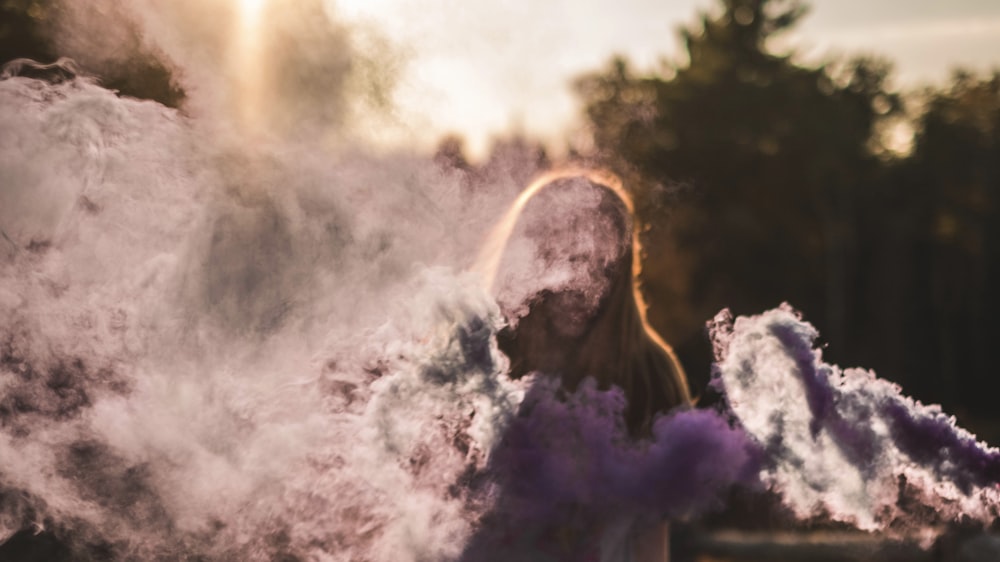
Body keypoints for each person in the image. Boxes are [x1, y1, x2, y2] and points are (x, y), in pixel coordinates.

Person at [472, 169, 692, 561]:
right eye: (561, 257)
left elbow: (651, 536)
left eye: (597, 263)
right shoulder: (482, 354)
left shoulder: (649, 372)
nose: (577, 281)